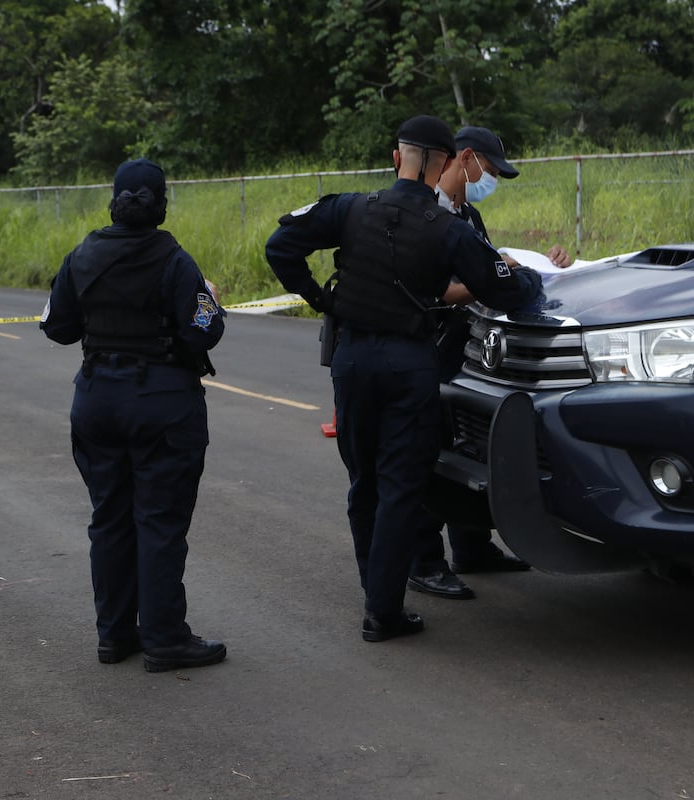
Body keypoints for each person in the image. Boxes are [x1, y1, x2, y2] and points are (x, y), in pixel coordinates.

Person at [265, 116, 542, 642]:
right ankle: (381, 610)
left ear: (397, 157)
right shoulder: (450, 230)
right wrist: (533, 275)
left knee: (363, 482)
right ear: (443, 164)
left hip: (352, 362)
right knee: (399, 487)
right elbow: (503, 288)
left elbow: (281, 246)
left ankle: (376, 588)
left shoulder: (349, 208)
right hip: (409, 365)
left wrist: (321, 299)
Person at [40, 158, 228, 672]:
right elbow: (203, 331)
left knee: (110, 518)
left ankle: (115, 635)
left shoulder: (82, 255)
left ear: (114, 202)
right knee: (160, 521)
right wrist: (212, 300)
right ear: (162, 205)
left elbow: (57, 327)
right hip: (163, 405)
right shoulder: (175, 261)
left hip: (98, 400)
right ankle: (165, 638)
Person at [407, 126, 570, 600]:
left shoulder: (467, 214)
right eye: (491, 171)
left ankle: (472, 546)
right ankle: (423, 559)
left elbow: (484, 266)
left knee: (468, 446)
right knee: (426, 452)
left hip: (466, 349)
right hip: (424, 349)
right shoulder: (420, 210)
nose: (490, 180)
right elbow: (439, 287)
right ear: (468, 159)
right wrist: (503, 278)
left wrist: (541, 264)